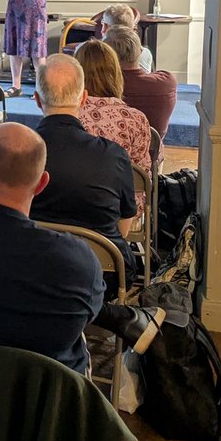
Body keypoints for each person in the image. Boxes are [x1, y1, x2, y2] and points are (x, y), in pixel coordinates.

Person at [0, 121, 163, 374]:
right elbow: (88, 311)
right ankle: (125, 318)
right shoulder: (76, 260)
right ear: (41, 184)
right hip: (35, 406)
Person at [29, 55, 138, 284]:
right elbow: (124, 228)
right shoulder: (113, 155)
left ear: (37, 100)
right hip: (102, 273)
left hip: (33, 268)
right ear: (84, 99)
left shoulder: (18, 151)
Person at [75, 39, 162, 169]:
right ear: (115, 73)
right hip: (120, 187)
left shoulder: (66, 116)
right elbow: (143, 179)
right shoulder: (136, 119)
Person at [105, 27, 178, 138]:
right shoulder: (166, 82)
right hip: (151, 152)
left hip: (109, 151)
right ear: (141, 52)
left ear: (107, 56)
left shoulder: (102, 87)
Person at [99, 3, 153, 72]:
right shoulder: (146, 53)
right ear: (133, 28)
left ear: (105, 27)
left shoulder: (95, 54)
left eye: (103, 22)